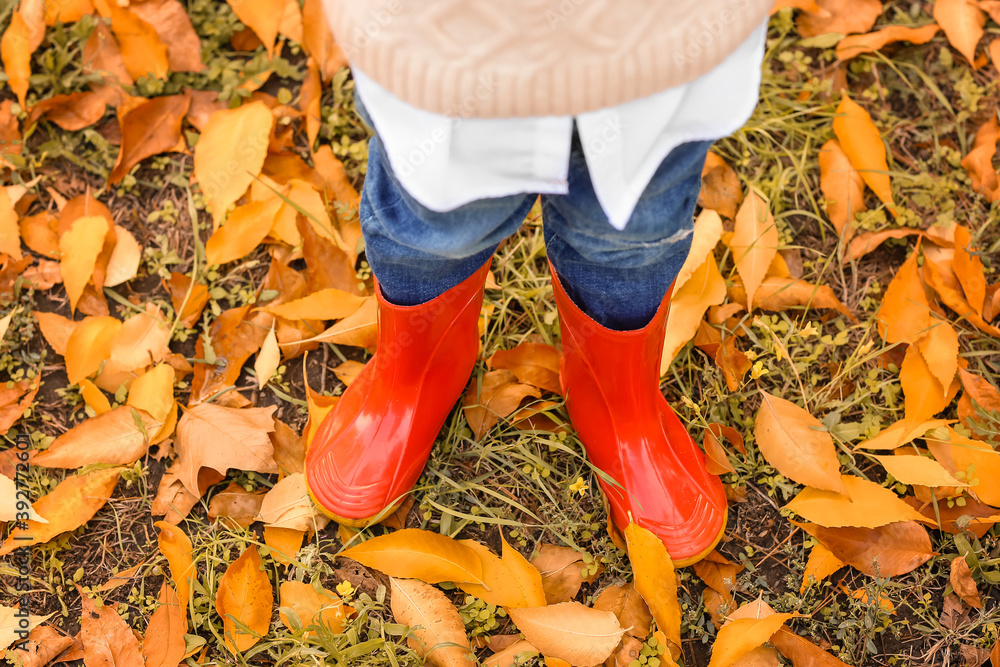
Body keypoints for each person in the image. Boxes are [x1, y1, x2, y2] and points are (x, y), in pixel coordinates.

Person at [305, 0, 772, 566]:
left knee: (629, 240)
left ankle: (617, 405)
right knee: (433, 223)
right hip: (451, 40)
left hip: (656, 38)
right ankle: (418, 376)